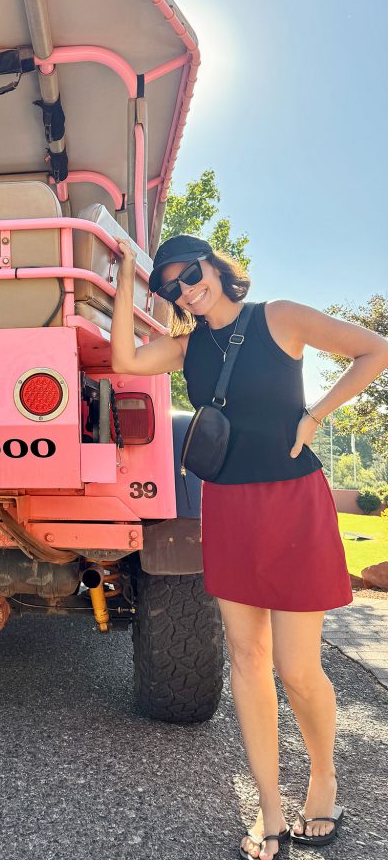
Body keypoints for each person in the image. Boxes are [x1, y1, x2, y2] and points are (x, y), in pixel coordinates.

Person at [110, 234, 388, 860]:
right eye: (172, 284)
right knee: (246, 661)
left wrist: (316, 415)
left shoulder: (280, 318)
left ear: (214, 264)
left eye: (190, 271)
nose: (186, 286)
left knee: (297, 669)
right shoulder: (186, 350)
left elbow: (376, 350)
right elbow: (124, 360)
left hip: (294, 501)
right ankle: (268, 805)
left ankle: (323, 778)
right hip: (230, 507)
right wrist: (129, 274)